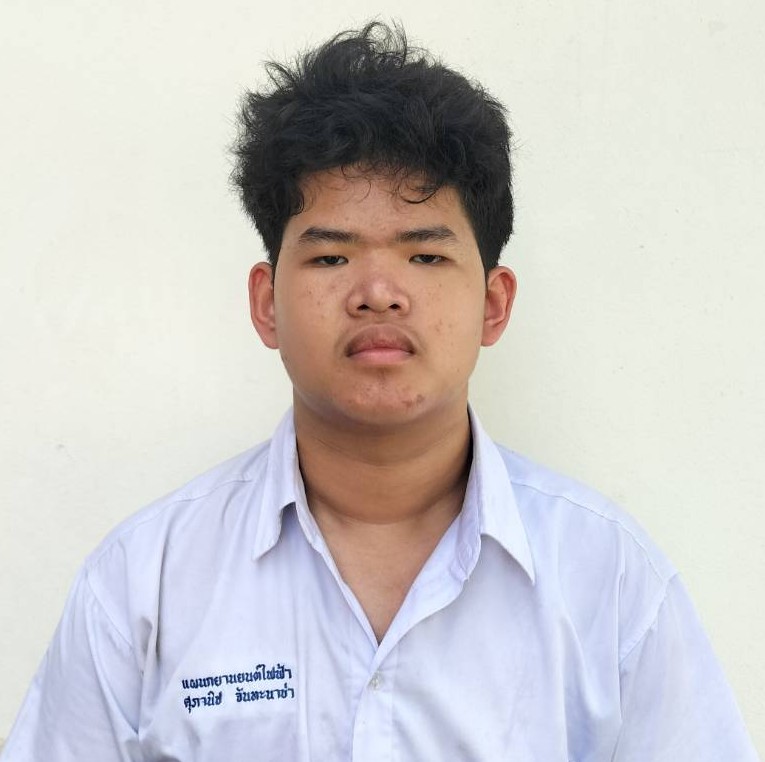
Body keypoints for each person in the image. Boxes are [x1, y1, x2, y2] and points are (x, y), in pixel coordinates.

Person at [2, 22, 759, 762]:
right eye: (331, 258)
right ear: (266, 304)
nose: (377, 292)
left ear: (493, 304)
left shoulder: (608, 578)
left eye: (424, 257)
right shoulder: (145, 581)